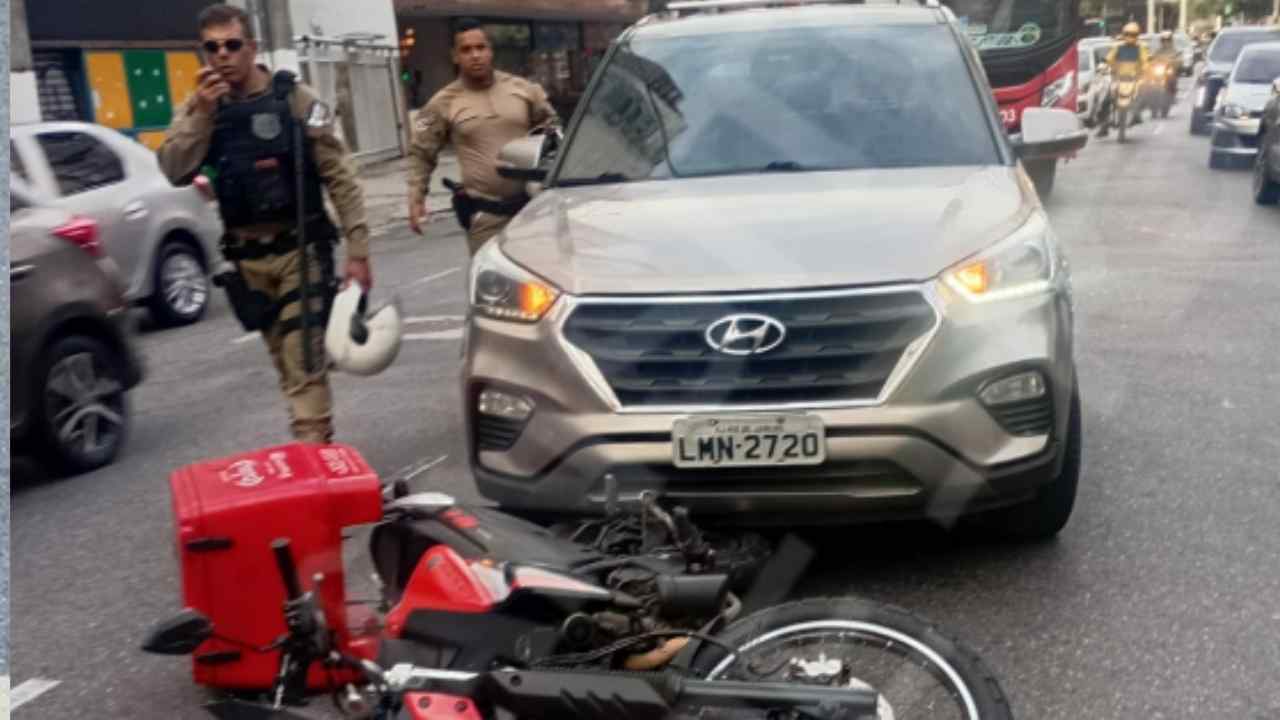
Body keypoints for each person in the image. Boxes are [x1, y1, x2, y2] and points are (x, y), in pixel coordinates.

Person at [156, 3, 373, 444]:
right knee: (285, 362)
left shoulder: (296, 99)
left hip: (301, 250)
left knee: (302, 357)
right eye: (212, 48)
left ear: (252, 47)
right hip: (248, 263)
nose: (222, 55)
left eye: (232, 45)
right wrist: (201, 113)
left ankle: (312, 458)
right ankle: (315, 445)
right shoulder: (201, 109)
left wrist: (359, 249)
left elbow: (340, 176)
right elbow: (173, 168)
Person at [406, 18, 561, 256]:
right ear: (455, 56)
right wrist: (416, 197)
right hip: (486, 218)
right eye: (466, 50)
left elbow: (554, 132)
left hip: (532, 210)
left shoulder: (523, 90)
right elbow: (421, 153)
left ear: (490, 51)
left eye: (481, 47)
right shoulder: (443, 102)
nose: (475, 55)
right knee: (491, 287)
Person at [1097, 22, 1151, 138]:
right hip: (1118, 79)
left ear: (1137, 35)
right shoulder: (1117, 47)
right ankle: (1104, 126)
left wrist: (1146, 71)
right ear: (1124, 34)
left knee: (1143, 94)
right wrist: (1104, 66)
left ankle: (1137, 115)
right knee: (1105, 100)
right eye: (1128, 34)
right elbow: (1109, 58)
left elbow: (1145, 61)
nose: (1130, 37)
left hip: (1134, 79)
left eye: (1133, 34)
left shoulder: (1141, 48)